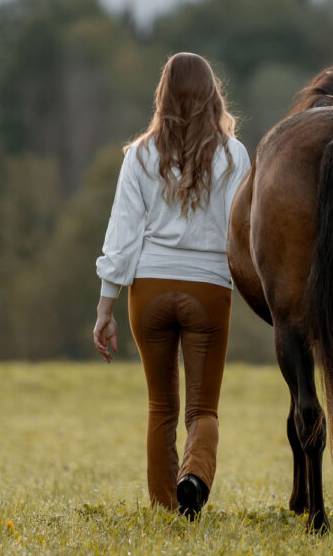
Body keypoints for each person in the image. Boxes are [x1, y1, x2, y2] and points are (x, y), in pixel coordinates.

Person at [93, 52, 251, 519]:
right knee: (203, 409)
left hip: (149, 291)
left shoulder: (139, 154)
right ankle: (194, 479)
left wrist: (105, 307)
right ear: (212, 95)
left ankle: (166, 509)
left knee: (160, 406)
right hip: (208, 291)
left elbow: (122, 234)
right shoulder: (233, 155)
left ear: (163, 95)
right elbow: (240, 231)